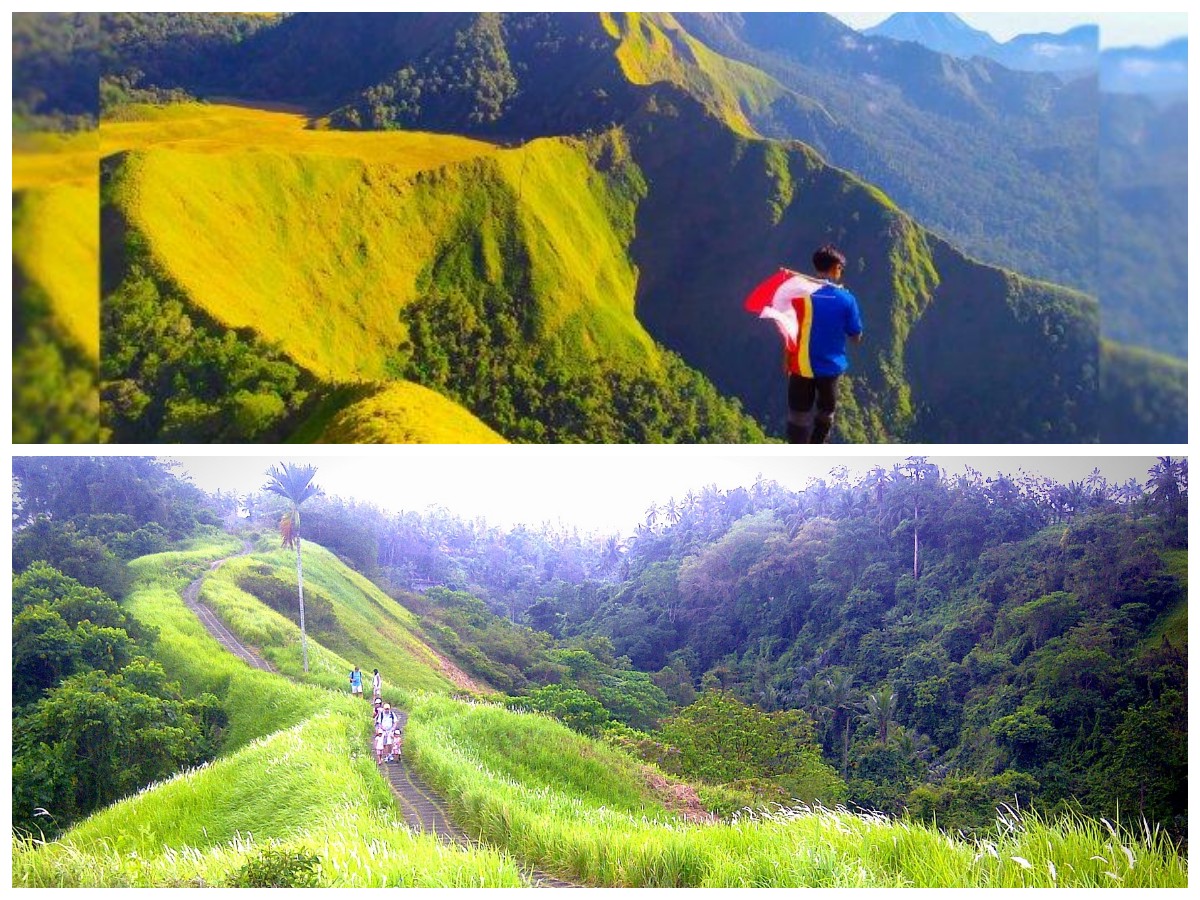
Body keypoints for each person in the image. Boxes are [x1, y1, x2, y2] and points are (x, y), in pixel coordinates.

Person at [784, 244, 864, 444]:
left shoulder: (798, 295)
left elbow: (789, 328)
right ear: (836, 267)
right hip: (830, 367)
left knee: (798, 414)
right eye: (841, 268)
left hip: (800, 363)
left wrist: (787, 359)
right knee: (826, 412)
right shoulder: (846, 299)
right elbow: (856, 336)